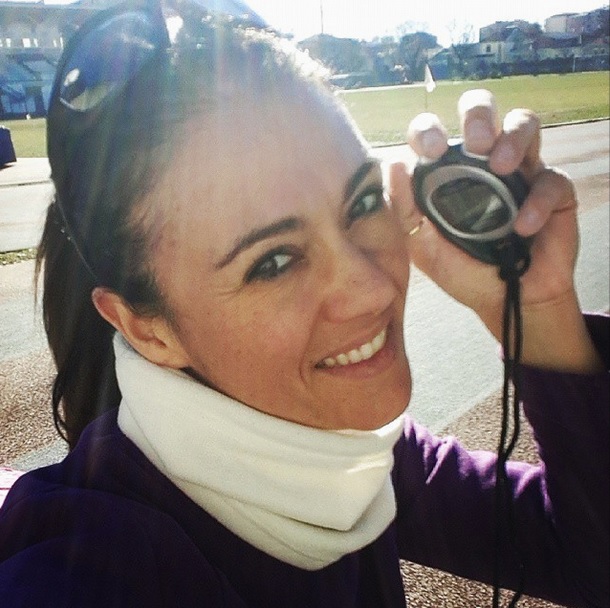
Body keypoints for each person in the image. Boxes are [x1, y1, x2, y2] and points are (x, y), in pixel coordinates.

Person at [0, 0, 608, 606]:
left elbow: (590, 561)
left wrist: (536, 309)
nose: (373, 288)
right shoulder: (84, 574)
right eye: (273, 261)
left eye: (363, 202)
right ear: (145, 329)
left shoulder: (350, 451)